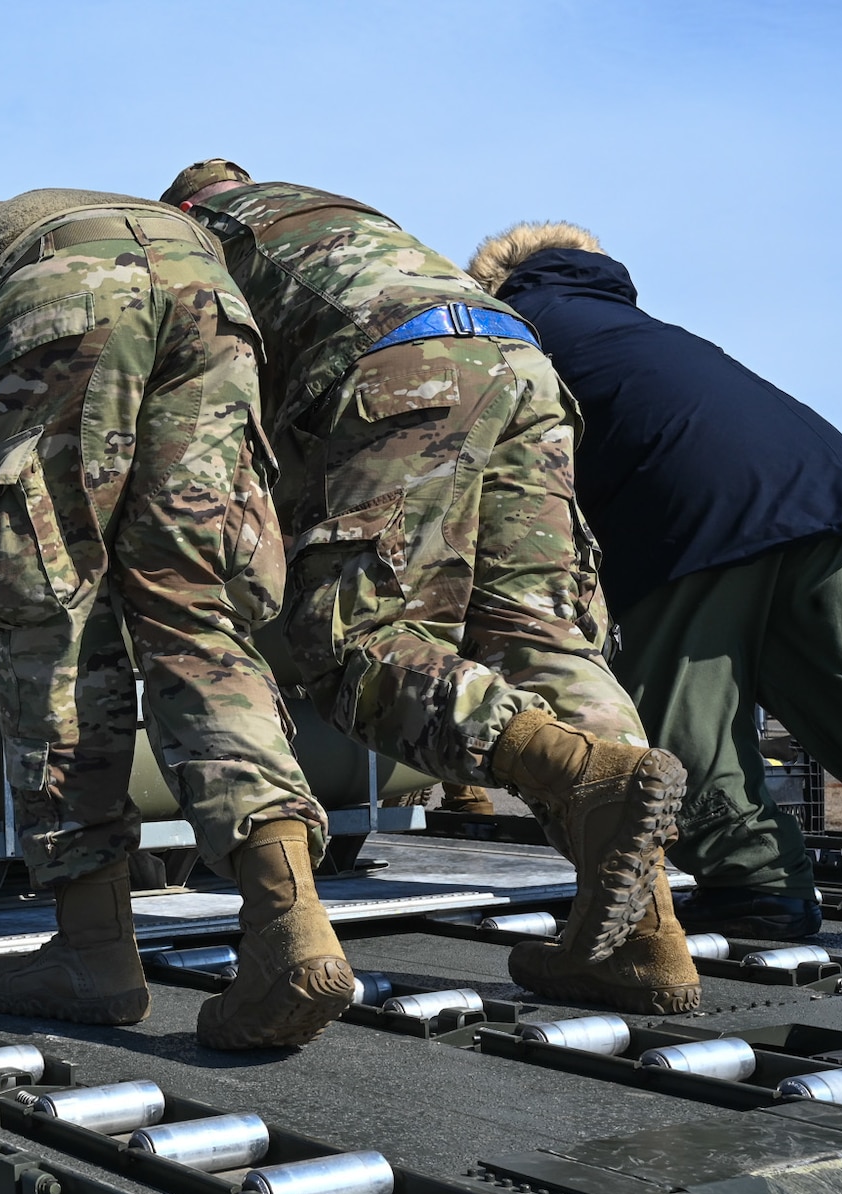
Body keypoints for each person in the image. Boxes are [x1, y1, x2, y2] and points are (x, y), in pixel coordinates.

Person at [160, 160, 698, 1015]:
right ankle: (647, 937)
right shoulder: (330, 211)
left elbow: (221, 421)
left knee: (351, 640)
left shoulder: (192, 240)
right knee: (542, 635)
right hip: (520, 360)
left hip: (404, 364)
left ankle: (576, 771)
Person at [0, 174, 344, 1051]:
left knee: (53, 626)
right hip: (211, 296)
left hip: (61, 305)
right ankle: (293, 926)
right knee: (197, 618)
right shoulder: (35, 213)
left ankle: (94, 948)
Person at [470, 224, 842, 940]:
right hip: (823, 490)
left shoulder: (508, 328)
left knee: (673, 715)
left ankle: (754, 879)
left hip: (683, 505)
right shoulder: (637, 325)